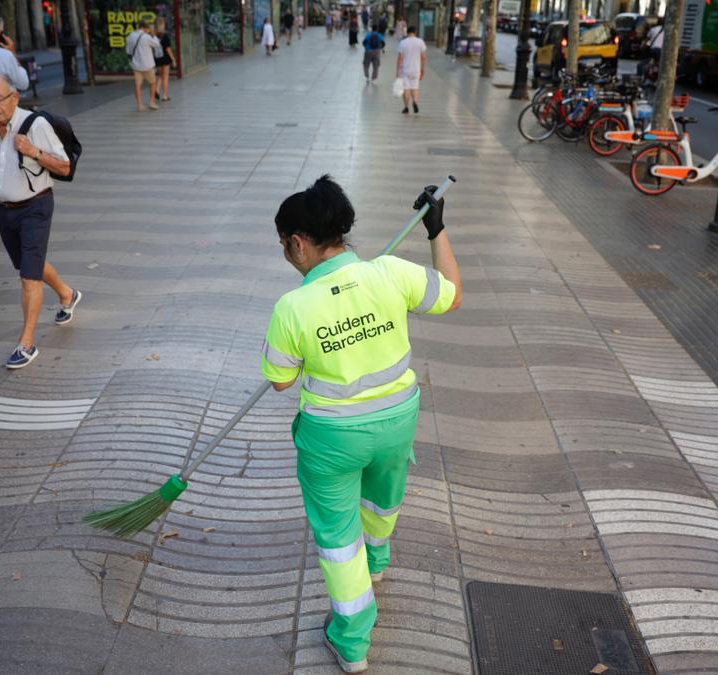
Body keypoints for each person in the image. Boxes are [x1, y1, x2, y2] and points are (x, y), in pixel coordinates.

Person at [260, 176, 461, 674]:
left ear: (299, 243)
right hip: (397, 423)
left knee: (337, 537)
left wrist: (318, 347)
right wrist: (437, 230)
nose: (287, 254)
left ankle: (351, 644)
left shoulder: (293, 307)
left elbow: (281, 382)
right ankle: (377, 562)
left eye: (285, 245)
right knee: (381, 498)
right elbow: (452, 296)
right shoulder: (389, 273)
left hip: (332, 440)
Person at [0, 74, 82, 369]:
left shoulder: (35, 125)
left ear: (14, 97)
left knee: (28, 276)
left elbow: (65, 167)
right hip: (3, 210)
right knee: (31, 264)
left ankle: (26, 343)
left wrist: (33, 151)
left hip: (35, 207)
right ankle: (67, 294)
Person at [127, 21, 162, 111]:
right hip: (147, 65)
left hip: (136, 65)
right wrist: (153, 34)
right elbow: (157, 44)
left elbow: (128, 51)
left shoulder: (130, 36)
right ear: (145, 28)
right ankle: (151, 103)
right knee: (152, 82)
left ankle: (140, 105)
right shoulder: (147, 37)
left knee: (138, 85)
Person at [396, 25, 427, 114]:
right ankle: (415, 102)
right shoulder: (420, 42)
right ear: (415, 32)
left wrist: (397, 71)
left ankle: (406, 107)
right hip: (416, 69)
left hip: (405, 70)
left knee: (406, 89)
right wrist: (423, 69)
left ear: (407, 32)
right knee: (415, 88)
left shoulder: (403, 42)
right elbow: (424, 57)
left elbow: (399, 58)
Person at [155, 17, 175, 102]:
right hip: (165, 59)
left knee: (160, 76)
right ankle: (165, 96)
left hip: (158, 58)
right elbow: (168, 49)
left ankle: (156, 90)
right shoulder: (165, 36)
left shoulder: (154, 36)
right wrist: (173, 59)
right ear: (162, 25)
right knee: (166, 77)